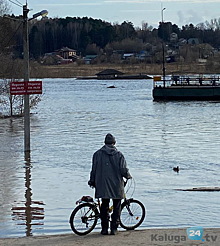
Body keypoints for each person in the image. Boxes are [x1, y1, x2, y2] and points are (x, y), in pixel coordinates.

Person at [88, 133, 132, 235]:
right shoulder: (119, 155)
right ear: (114, 143)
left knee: (104, 205)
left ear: (104, 142)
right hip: (116, 184)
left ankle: (104, 229)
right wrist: (128, 176)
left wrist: (92, 180)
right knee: (117, 205)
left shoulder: (97, 154)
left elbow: (93, 170)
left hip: (102, 184)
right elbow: (123, 169)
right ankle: (114, 228)